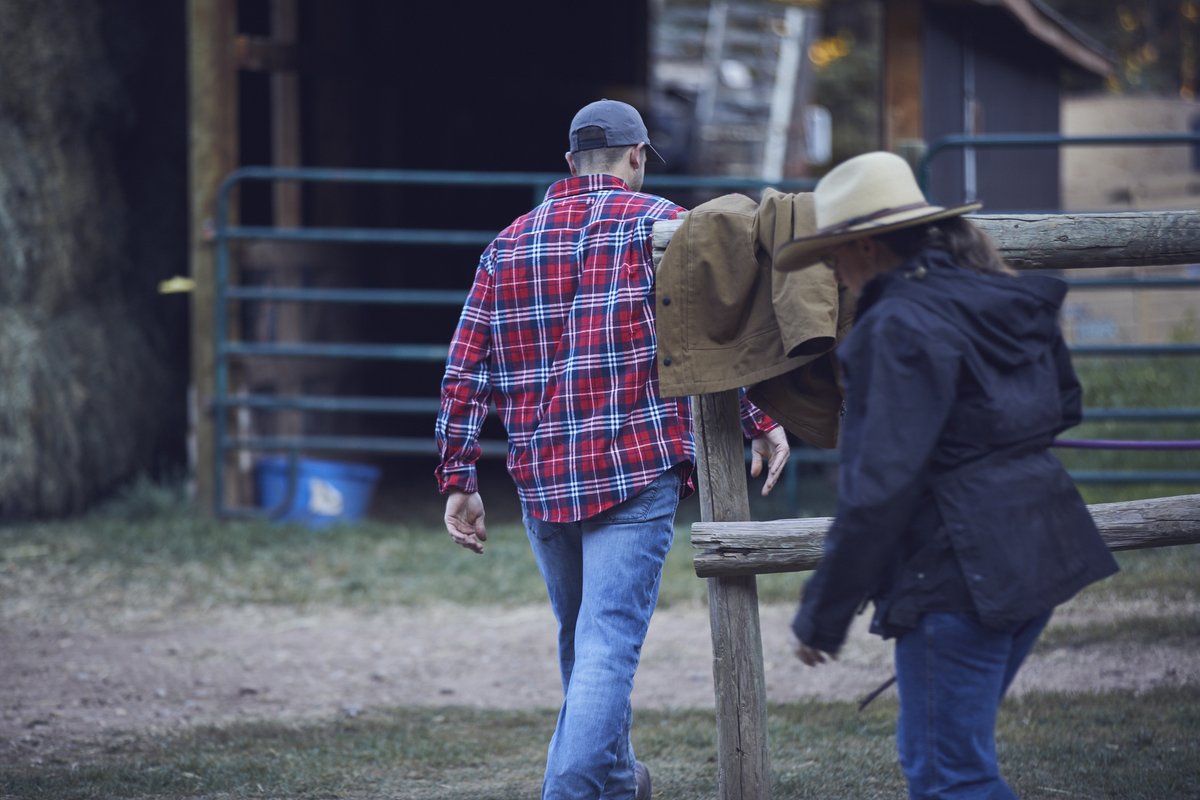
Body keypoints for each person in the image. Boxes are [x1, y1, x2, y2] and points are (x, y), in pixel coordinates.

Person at [435, 98, 791, 800]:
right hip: (635, 466)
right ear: (638, 156)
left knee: (581, 638)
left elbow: (464, 367)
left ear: (569, 163)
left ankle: (619, 782)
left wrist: (460, 476)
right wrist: (760, 415)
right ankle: (569, 791)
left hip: (543, 475)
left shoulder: (506, 244)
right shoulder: (665, 229)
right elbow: (706, 341)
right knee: (605, 643)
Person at [774, 151, 1119, 799]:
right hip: (1038, 551)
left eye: (835, 256)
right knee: (945, 758)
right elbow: (1063, 404)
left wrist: (822, 617)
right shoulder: (998, 292)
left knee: (949, 778)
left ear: (867, 247)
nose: (835, 273)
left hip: (962, 573)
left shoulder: (896, 326)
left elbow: (878, 488)